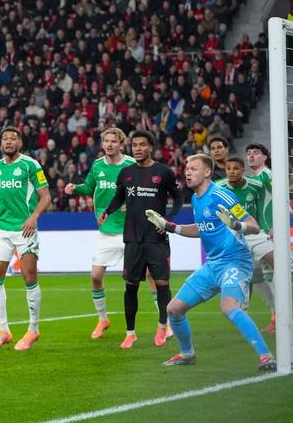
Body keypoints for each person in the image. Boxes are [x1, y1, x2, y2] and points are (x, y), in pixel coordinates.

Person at [145, 154, 277, 371]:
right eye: (187, 169)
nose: (187, 172)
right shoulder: (196, 199)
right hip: (213, 265)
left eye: (193, 169)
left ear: (207, 172)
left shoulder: (221, 195)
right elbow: (201, 229)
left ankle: (266, 356)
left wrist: (236, 225)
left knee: (229, 307)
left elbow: (253, 225)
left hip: (235, 262)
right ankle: (187, 354)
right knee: (173, 309)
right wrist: (169, 226)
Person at [65, 127, 165, 339]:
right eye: (106, 141)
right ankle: (103, 319)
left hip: (132, 228)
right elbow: (88, 187)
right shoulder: (97, 165)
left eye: (113, 141)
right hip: (107, 230)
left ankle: (165, 322)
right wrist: (75, 188)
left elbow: (148, 190)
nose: (109, 145)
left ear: (121, 144)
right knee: (95, 276)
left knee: (150, 275)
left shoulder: (132, 164)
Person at [0, 127, 51, 350]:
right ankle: (3, 330)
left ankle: (33, 329)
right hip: (1, 230)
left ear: (20, 143)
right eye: (5, 138)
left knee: (29, 276)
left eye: (13, 138)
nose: (8, 141)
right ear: (0, 144)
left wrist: (34, 217)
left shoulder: (31, 165)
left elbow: (45, 197)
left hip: (24, 230)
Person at [101, 130, 182, 349]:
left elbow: (178, 199)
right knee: (131, 287)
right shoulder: (126, 173)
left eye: (142, 145)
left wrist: (167, 221)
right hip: (133, 238)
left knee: (162, 284)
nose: (137, 148)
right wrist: (108, 211)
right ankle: (130, 333)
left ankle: (163, 325)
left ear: (151, 147)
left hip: (156, 238)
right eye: (134, 145)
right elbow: (119, 197)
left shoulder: (164, 172)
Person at [245, 143, 293, 331]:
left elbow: (282, 198)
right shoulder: (253, 180)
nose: (251, 156)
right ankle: (279, 318)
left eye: (256, 153)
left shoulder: (267, 175)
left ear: (264, 157)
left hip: (274, 233)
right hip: (261, 235)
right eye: (248, 153)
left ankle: (283, 319)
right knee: (261, 277)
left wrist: (277, 225)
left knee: (292, 275)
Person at [216, 157, 277, 331]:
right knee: (247, 277)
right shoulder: (219, 187)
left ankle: (282, 312)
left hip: (255, 233)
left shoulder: (256, 185)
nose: (231, 172)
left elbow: (265, 207)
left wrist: (269, 226)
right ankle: (246, 312)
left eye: (235, 168)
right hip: (234, 238)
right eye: (228, 169)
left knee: (279, 267)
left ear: (243, 170)